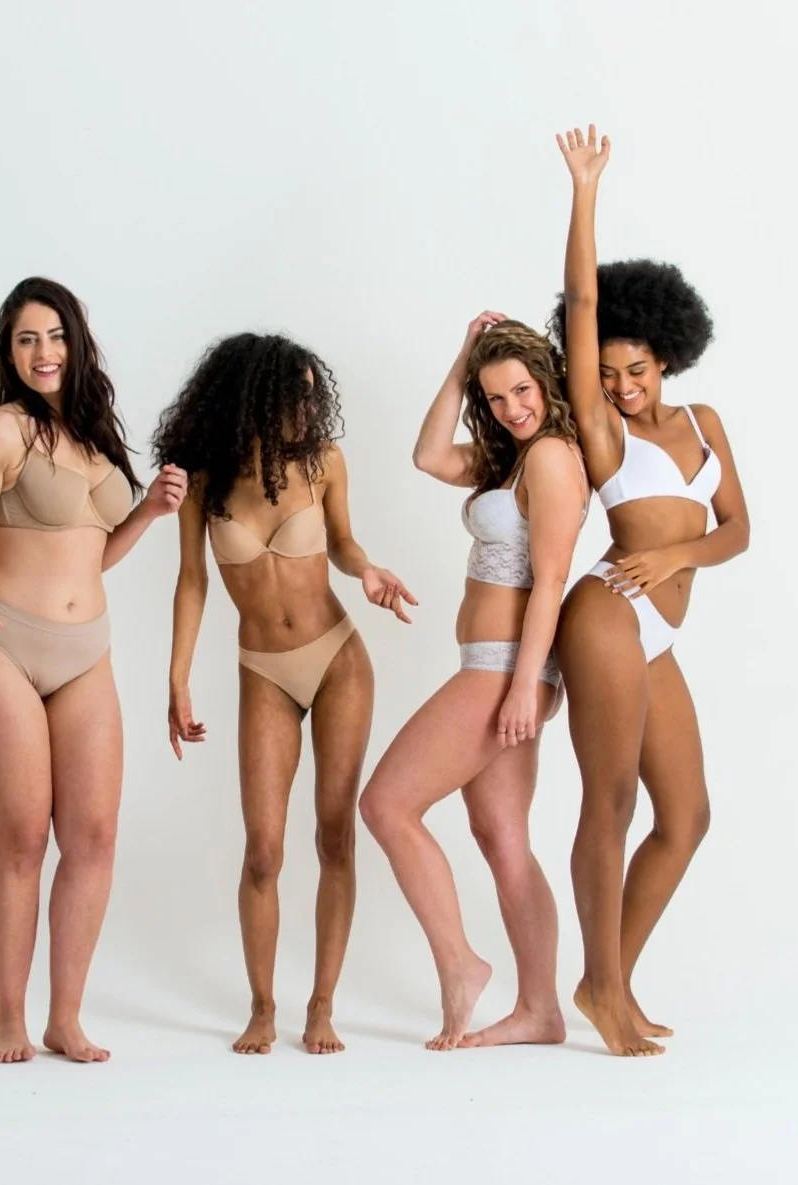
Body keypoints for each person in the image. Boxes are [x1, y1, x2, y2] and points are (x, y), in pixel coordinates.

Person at [0, 277, 186, 1065]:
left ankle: (65, 1017)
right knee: (21, 835)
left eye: (54, 336)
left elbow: (95, 554)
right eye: (26, 340)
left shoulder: (94, 436)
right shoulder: (1, 433)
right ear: (10, 355)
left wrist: (146, 511)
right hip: (2, 640)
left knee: (94, 835)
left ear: (76, 343)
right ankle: (9, 1018)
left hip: (87, 650)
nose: (43, 352)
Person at [151, 332, 414, 1055]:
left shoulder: (324, 462)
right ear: (252, 400)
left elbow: (344, 543)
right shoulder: (205, 480)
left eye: (310, 392)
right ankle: (262, 1006)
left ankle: (321, 1006)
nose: (307, 407)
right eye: (292, 394)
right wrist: (175, 675)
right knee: (263, 851)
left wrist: (368, 571)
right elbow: (193, 579)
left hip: (337, 660)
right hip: (262, 670)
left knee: (334, 833)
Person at [551, 125, 750, 1056]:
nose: (622, 386)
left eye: (636, 370)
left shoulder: (704, 422)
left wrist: (680, 559)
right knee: (614, 801)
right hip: (605, 612)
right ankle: (604, 993)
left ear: (668, 358)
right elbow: (584, 299)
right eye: (605, 375)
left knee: (688, 817)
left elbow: (738, 530)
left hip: (657, 621)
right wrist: (586, 190)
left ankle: (606, 984)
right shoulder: (604, 435)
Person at [360, 313, 587, 1050]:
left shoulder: (551, 455)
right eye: (494, 398)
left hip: (503, 669)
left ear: (545, 383)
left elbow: (550, 579)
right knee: (502, 836)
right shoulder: (509, 459)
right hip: (493, 666)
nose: (511, 407)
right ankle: (540, 1010)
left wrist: (526, 686)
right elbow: (428, 454)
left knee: (386, 803)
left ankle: (461, 964)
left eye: (521, 389)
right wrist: (464, 358)